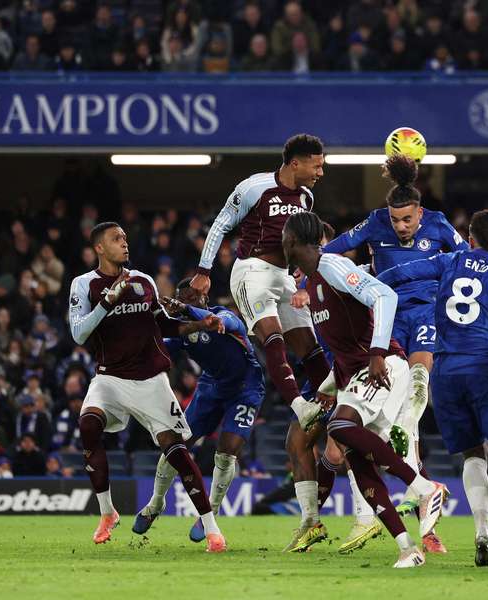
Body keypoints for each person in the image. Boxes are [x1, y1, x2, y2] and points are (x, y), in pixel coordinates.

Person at [379, 208, 488, 569]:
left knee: (473, 454)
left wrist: (358, 283)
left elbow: (400, 274)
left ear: (470, 238)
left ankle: (482, 531)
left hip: (444, 374)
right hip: (484, 370)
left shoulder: (448, 261)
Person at [282, 211, 448, 569]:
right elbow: (343, 351)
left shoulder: (333, 267)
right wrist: (328, 387)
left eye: (283, 237)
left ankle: (424, 488)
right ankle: (408, 548)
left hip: (384, 367)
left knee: (340, 428)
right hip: (355, 377)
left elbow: (384, 295)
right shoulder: (311, 284)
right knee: (358, 461)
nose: (280, 242)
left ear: (294, 241)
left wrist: (377, 354)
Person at [190, 134, 331, 545]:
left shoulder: (305, 199)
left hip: (286, 277)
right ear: (295, 162)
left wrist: (304, 271)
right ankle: (300, 406)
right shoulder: (254, 186)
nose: (320, 173)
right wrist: (204, 270)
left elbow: (302, 244)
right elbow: (219, 225)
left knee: (312, 350)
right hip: (250, 270)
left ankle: (333, 405)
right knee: (271, 337)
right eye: (316, 165)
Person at [322, 155, 468, 552]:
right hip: (383, 322)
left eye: (407, 220)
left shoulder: (438, 224)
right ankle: (416, 501)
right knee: (376, 426)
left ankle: (423, 513)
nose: (400, 227)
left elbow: (471, 262)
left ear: (420, 212)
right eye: (395, 220)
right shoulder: (374, 222)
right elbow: (332, 252)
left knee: (417, 395)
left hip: (424, 316)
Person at [68, 221, 227, 551]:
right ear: (99, 248)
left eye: (125, 237)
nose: (124, 243)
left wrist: (200, 323)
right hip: (109, 378)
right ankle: (107, 512)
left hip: (150, 381)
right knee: (87, 425)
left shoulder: (142, 281)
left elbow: (164, 324)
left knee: (177, 451)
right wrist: (106, 303)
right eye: (116, 239)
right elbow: (79, 333)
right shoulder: (84, 284)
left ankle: (212, 529)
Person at [133, 278, 264, 545]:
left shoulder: (223, 316)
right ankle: (155, 504)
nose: (189, 302)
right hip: (211, 388)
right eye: (185, 298)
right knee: (177, 445)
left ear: (204, 298)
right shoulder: (184, 332)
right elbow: (158, 348)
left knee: (227, 452)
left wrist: (183, 307)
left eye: (194, 298)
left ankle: (210, 513)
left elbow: (227, 324)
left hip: (246, 387)